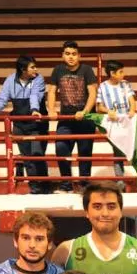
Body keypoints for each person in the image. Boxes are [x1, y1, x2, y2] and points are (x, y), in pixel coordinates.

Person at [0, 55, 49, 194]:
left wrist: (35, 110)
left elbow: (35, 95)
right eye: (32, 67)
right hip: (19, 124)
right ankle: (35, 188)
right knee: (27, 157)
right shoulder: (10, 80)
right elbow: (2, 99)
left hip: (37, 123)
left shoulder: (38, 79)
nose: (36, 69)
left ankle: (44, 184)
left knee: (37, 154)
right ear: (23, 69)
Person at [47, 41, 98, 193]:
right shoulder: (58, 70)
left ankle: (84, 185)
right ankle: (66, 185)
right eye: (67, 54)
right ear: (63, 55)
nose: (71, 57)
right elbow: (51, 91)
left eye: (74, 54)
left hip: (85, 119)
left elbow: (93, 93)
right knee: (61, 148)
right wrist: (51, 110)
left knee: (85, 152)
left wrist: (85, 111)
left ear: (79, 56)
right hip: (66, 119)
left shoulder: (87, 70)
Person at [95, 60, 136, 186]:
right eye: (121, 72)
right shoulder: (102, 86)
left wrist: (132, 110)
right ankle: (120, 180)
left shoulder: (125, 84)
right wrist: (108, 111)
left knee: (134, 149)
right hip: (113, 125)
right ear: (112, 73)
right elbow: (99, 107)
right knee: (117, 150)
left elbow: (132, 100)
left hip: (128, 123)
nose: (123, 74)